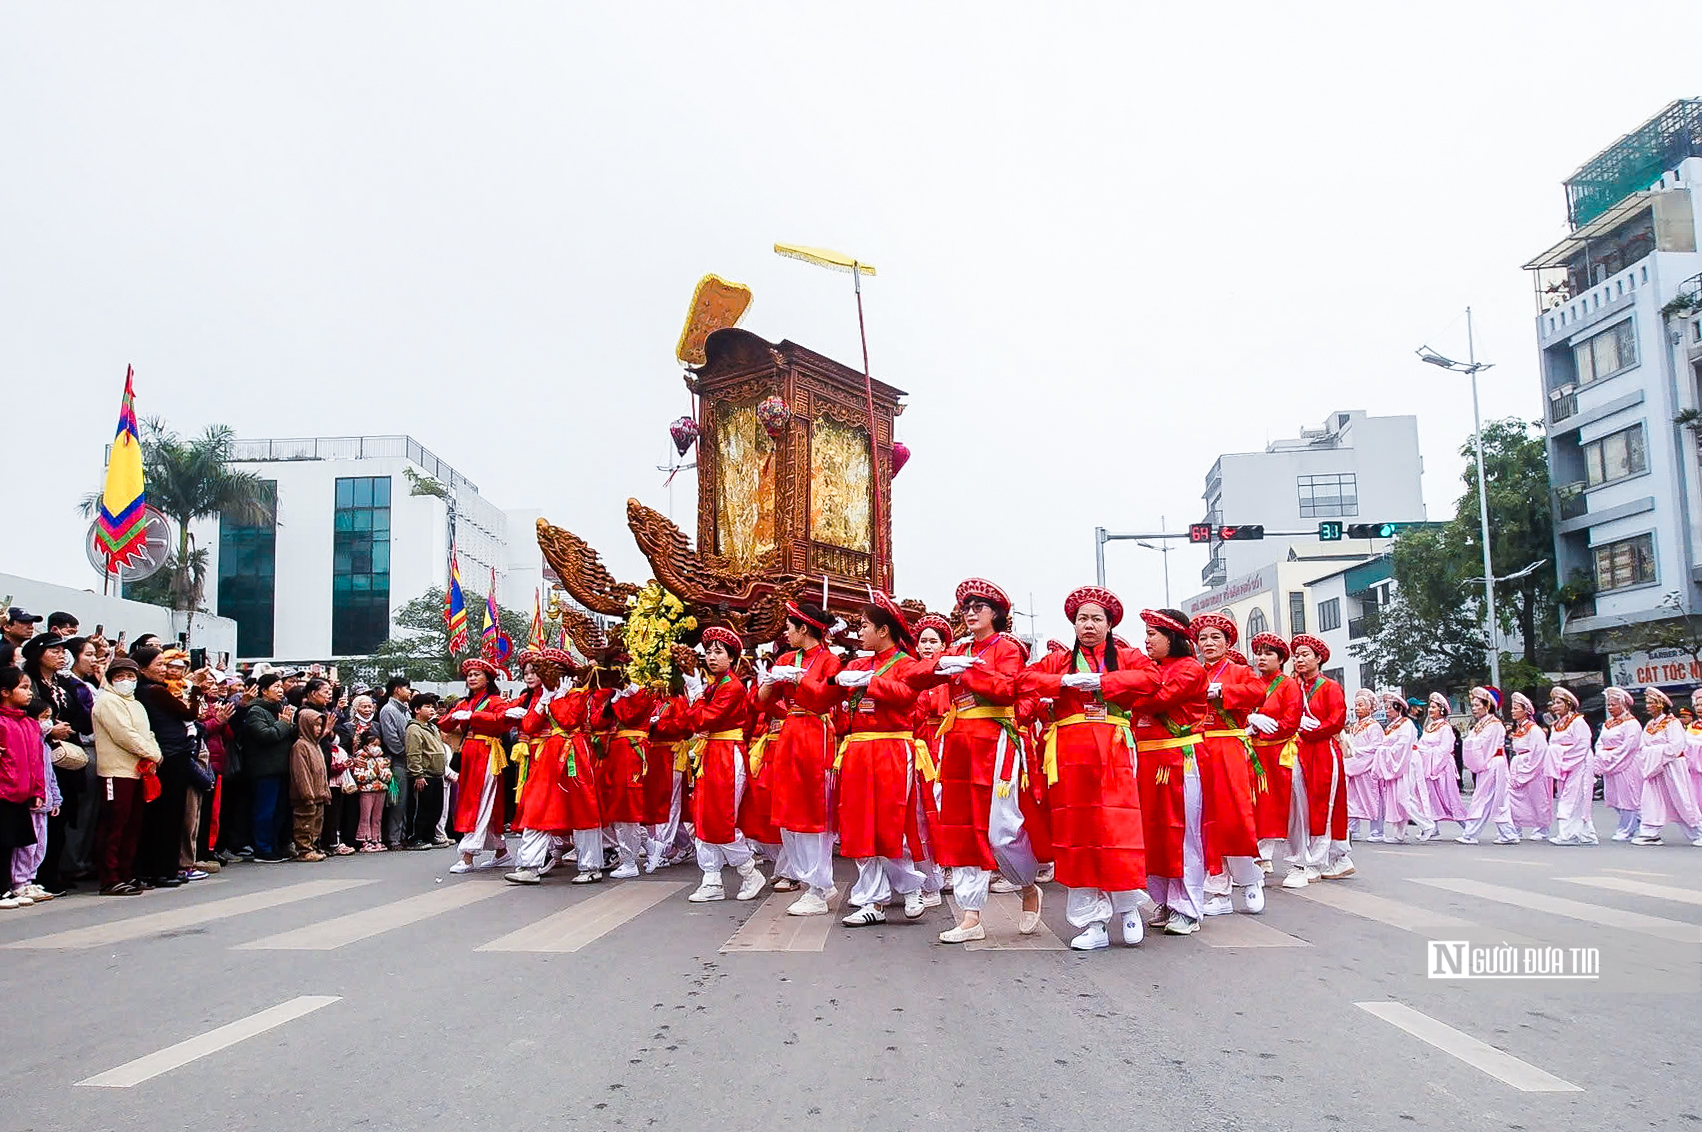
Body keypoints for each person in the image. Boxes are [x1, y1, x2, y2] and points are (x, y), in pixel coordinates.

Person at [904, 579, 1043, 944]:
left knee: (1001, 828)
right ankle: (970, 915)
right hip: (959, 740)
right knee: (961, 826)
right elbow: (914, 675)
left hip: (994, 740)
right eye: (966, 608)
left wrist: (967, 672)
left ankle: (1028, 885)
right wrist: (942, 665)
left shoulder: (1008, 647)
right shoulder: (958, 647)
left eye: (977, 607)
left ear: (995, 614)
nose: (969, 613)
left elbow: (1008, 688)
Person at [1017, 586, 1151, 949]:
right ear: (1073, 625)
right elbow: (1024, 681)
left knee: (1116, 827)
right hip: (1070, 754)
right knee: (1077, 833)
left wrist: (1104, 682)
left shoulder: (1127, 657)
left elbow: (1151, 679)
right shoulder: (1059, 661)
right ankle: (1091, 923)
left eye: (1096, 619)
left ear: (1109, 625)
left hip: (1113, 749)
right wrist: (1063, 682)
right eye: (1082, 619)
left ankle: (1127, 906)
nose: (1088, 625)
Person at [833, 592, 928, 927]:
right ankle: (871, 898)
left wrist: (872, 683)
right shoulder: (857, 663)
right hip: (858, 749)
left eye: (865, 626)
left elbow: (906, 697)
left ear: (884, 630)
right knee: (859, 822)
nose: (860, 632)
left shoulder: (906, 664)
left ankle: (910, 886)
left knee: (893, 819)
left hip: (891, 747)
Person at [755, 598, 844, 916]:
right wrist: (768, 684)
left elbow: (824, 700)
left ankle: (818, 886)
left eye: (789, 627)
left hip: (814, 734)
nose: (785, 632)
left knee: (811, 810)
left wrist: (797, 679)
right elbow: (764, 703)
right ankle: (810, 880)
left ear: (804, 628)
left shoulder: (830, 662)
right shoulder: (787, 657)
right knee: (788, 810)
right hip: (790, 733)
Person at [673, 628, 765, 902]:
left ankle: (749, 871)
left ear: (732, 657)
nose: (711, 657)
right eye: (708, 652)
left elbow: (703, 720)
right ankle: (711, 879)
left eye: (718, 652)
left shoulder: (732, 687)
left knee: (720, 818)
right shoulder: (716, 685)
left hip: (725, 754)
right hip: (713, 752)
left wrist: (695, 692)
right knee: (703, 816)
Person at [1187, 612, 1266, 919]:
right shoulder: (1193, 672)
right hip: (1200, 745)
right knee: (1206, 817)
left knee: (1236, 813)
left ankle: (1249, 879)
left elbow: (1258, 692)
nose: (1208, 643)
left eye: (1215, 637)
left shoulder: (1239, 671)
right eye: (1203, 638)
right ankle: (1218, 889)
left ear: (1227, 642)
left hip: (1230, 744)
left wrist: (1223, 691)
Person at [502, 649, 602, 884]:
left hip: (572, 754)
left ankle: (591, 866)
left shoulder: (577, 693)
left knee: (582, 809)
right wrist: (544, 701)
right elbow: (528, 725)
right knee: (537, 806)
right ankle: (529, 865)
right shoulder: (542, 695)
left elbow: (568, 722)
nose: (543, 675)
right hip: (548, 755)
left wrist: (557, 697)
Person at [131, 645, 207, 888]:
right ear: (143, 669)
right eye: (159, 665)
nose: (165, 670)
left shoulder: (148, 691)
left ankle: (157, 868)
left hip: (167, 753)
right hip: (171, 755)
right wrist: (195, 687)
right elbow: (190, 713)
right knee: (169, 815)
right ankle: (164, 869)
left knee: (161, 815)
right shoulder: (154, 691)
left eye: (166, 664)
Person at [1283, 635, 1349, 888]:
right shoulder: (1294, 687)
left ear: (1319, 658)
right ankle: (1322, 857)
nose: (1299, 659)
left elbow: (1337, 720)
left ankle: (1316, 861)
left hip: (1322, 749)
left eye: (1305, 654)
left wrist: (1311, 729)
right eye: (1296, 655)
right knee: (1303, 805)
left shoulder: (1330, 687)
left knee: (1323, 804)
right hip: (1299, 749)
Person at [89, 658, 160, 894]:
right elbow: (124, 735)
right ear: (110, 679)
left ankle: (126, 873)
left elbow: (147, 733)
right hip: (115, 771)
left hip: (138, 771)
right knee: (114, 825)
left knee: (132, 826)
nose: (126, 681)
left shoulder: (136, 704)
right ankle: (109, 877)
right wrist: (151, 753)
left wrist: (154, 755)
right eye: (120, 677)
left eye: (130, 677)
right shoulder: (107, 702)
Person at [441, 659, 515, 875]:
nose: (471, 678)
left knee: (479, 799)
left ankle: (468, 854)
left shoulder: (494, 701)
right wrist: (453, 715)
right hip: (470, 754)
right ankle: (501, 852)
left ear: (488, 678)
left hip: (488, 752)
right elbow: (444, 724)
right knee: (474, 799)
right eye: (469, 675)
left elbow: (503, 719)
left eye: (476, 674)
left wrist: (474, 716)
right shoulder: (465, 702)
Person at [1244, 633, 1302, 874]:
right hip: (1254, 752)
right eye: (1258, 653)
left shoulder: (1288, 685)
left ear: (1280, 660)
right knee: (1257, 804)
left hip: (1279, 752)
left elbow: (1291, 721)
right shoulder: (1253, 684)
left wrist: (1265, 729)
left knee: (1282, 804)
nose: (1261, 658)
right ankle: (1259, 853)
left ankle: (1287, 858)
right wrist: (1249, 723)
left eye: (1268, 654)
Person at [595, 665, 656, 881]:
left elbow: (631, 715)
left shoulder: (642, 692)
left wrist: (623, 696)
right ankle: (649, 846)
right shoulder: (616, 695)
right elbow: (596, 721)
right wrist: (611, 700)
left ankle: (630, 861)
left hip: (632, 750)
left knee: (627, 806)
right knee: (620, 804)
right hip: (618, 751)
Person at [1632, 686, 1702, 846]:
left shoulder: (1672, 723)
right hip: (1655, 768)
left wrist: (1656, 754)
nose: (1647, 706)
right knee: (1651, 799)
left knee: (1681, 798)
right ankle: (1649, 832)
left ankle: (1697, 831)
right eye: (1647, 702)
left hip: (1672, 766)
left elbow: (1676, 746)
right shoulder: (1650, 725)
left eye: (1651, 703)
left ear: (1660, 704)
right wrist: (1652, 756)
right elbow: (1642, 747)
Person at [60, 636, 106, 881]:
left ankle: (83, 859)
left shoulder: (88, 684)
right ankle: (72, 862)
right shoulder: (71, 685)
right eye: (88, 655)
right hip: (81, 749)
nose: (93, 660)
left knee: (93, 810)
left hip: (99, 750)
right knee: (81, 810)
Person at [241, 673, 297, 862]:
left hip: (281, 767)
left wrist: (291, 724)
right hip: (264, 769)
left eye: (281, 686)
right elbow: (265, 735)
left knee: (279, 811)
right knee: (265, 810)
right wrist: (284, 723)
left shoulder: (280, 708)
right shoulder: (256, 711)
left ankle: (274, 846)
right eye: (276, 687)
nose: (280, 690)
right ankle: (262, 849)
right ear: (264, 691)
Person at [1457, 686, 1516, 846]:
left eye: (1477, 705)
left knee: (1486, 798)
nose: (1474, 709)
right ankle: (1508, 834)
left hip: (1493, 763)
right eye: (1473, 705)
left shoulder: (1495, 725)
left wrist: (1472, 746)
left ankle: (1470, 833)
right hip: (1488, 763)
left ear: (1487, 705)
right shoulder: (1481, 724)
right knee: (1491, 798)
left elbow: (1481, 744)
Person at [1375, 690, 1435, 843]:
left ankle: (1426, 825)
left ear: (1399, 708)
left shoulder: (1406, 724)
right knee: (1396, 798)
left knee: (1405, 797)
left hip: (1406, 761)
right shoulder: (1392, 726)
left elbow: (1403, 745)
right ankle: (1399, 833)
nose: (1386, 710)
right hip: (1395, 762)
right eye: (1386, 707)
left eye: (1389, 707)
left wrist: (1385, 751)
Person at [1546, 687, 1596, 845]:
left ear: (1568, 704)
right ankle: (1585, 834)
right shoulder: (1557, 724)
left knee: (1573, 797)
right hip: (1564, 764)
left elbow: (1582, 744)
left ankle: (1568, 834)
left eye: (1559, 702)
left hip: (1578, 762)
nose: (1555, 706)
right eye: (1554, 703)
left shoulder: (1578, 722)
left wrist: (1565, 759)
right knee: (1567, 796)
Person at [1594, 687, 1643, 842]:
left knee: (1628, 798)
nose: (1610, 708)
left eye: (1613, 704)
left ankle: (1626, 829)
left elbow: (1629, 747)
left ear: (1624, 705)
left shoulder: (1631, 724)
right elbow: (1600, 742)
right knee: (1614, 797)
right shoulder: (1608, 724)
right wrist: (1602, 755)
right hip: (1610, 763)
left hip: (1626, 764)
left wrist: (1612, 756)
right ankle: (1636, 823)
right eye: (1608, 704)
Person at [1507, 692, 1556, 841]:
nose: (1513, 711)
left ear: (1526, 710)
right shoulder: (1519, 730)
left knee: (1538, 798)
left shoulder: (1534, 730)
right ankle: (1516, 827)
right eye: (1513, 708)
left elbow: (1540, 751)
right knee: (1514, 797)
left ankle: (1542, 828)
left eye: (1516, 708)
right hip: (1518, 763)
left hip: (1533, 766)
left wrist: (1528, 769)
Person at [1416, 693, 1466, 837]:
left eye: (1433, 707)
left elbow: (1445, 749)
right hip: (1428, 766)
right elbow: (1422, 744)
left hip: (1441, 767)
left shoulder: (1445, 728)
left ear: (1441, 709)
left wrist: (1433, 763)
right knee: (1431, 797)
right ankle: (1433, 827)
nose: (1430, 710)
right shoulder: (1429, 727)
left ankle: (1467, 827)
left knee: (1449, 797)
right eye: (1430, 707)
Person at [288, 708, 331, 861]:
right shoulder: (300, 746)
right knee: (304, 823)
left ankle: (312, 847)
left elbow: (323, 771)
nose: (319, 729)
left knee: (316, 824)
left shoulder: (316, 745)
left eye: (321, 725)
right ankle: (303, 849)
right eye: (315, 725)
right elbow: (301, 773)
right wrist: (307, 794)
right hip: (307, 795)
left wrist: (325, 791)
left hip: (319, 794)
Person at [1342, 689, 1384, 842]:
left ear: (1369, 707)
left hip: (1367, 767)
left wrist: (1356, 751)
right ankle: (1353, 828)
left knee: (1372, 798)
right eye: (1355, 705)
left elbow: (1376, 747)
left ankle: (1377, 831)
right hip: (1353, 766)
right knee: (1351, 798)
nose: (1357, 708)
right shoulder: (1355, 726)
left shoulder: (1374, 726)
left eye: (1360, 705)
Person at [378, 677, 414, 849]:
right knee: (396, 800)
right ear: (397, 690)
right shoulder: (388, 710)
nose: (409, 692)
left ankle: (402, 836)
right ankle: (393, 838)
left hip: (409, 762)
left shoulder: (406, 711)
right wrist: (404, 753)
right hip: (397, 763)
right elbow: (391, 738)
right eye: (407, 688)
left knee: (406, 802)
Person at [351, 729, 391, 851]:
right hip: (366, 791)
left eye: (378, 745)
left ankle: (376, 839)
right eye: (373, 745)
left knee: (377, 817)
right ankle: (364, 840)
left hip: (381, 790)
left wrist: (382, 775)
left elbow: (388, 775)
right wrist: (374, 773)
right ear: (366, 746)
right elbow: (359, 776)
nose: (376, 748)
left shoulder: (382, 759)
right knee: (365, 816)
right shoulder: (361, 759)